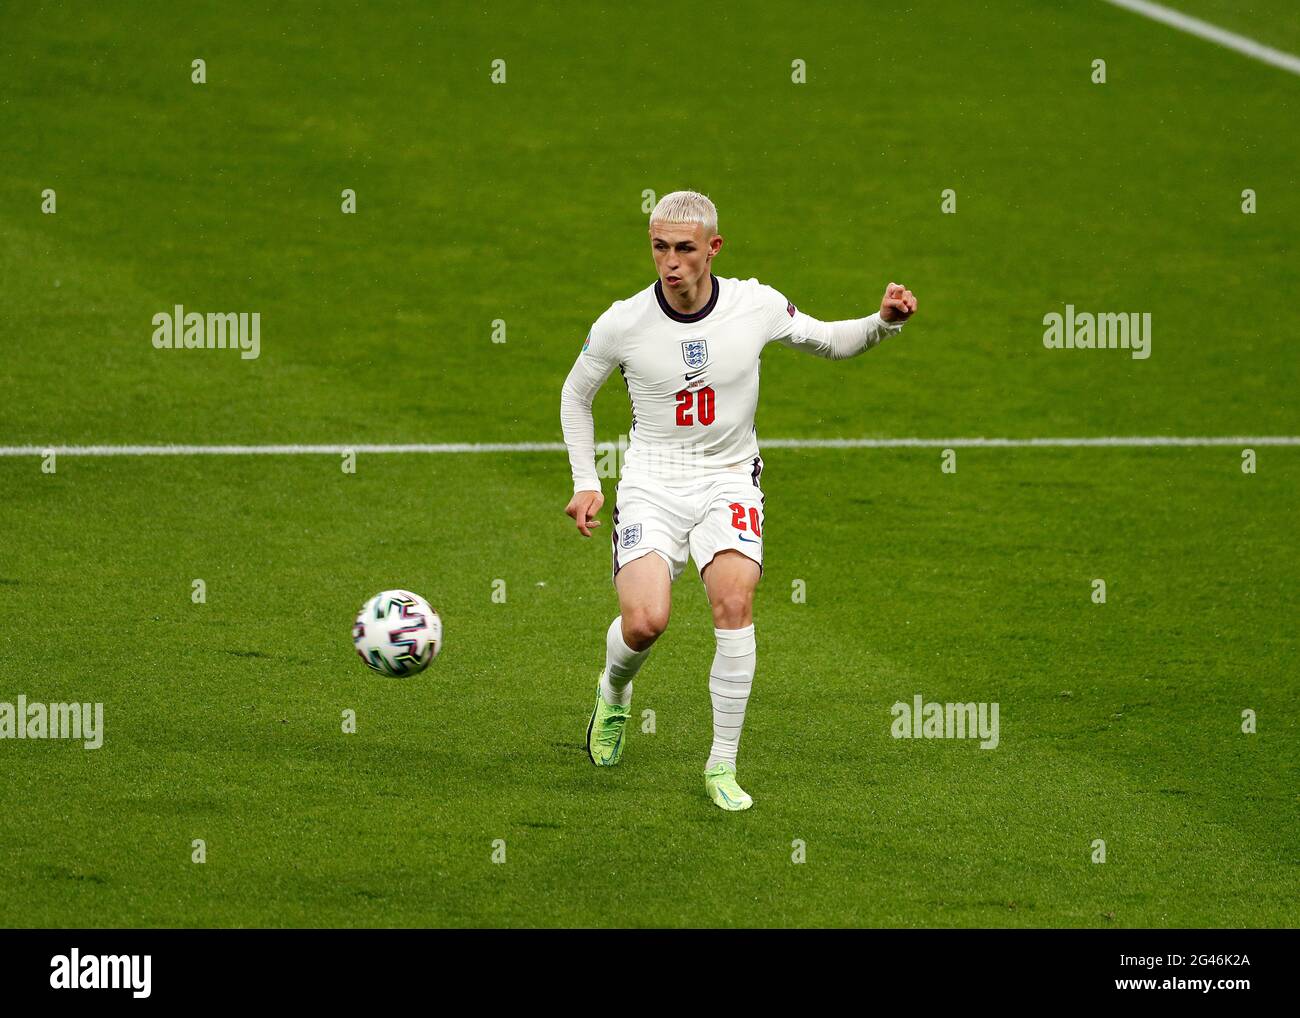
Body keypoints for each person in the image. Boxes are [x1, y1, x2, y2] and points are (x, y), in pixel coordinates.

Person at [559, 190, 917, 810]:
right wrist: (587, 481)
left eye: (684, 249)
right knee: (646, 624)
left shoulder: (756, 304)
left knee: (734, 601)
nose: (670, 263)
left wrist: (883, 323)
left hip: (729, 477)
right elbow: (575, 397)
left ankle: (721, 765)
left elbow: (831, 341)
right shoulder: (623, 322)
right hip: (652, 480)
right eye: (659, 247)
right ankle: (613, 694)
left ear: (713, 249)